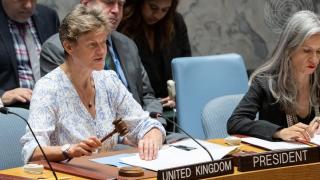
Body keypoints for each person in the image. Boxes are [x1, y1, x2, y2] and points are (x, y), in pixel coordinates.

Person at [20, 4, 165, 163]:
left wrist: (151, 138)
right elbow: (31, 150)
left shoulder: (108, 80)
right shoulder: (48, 88)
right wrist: (68, 151)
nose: (102, 51)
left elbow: (144, 124)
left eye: (103, 43)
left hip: (106, 172)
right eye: (92, 45)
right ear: (69, 47)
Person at [39, 0, 166, 127]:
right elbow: (70, 110)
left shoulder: (127, 44)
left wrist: (156, 124)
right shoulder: (56, 48)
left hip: (142, 128)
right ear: (86, 2)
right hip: (101, 137)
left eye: (121, 4)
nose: (116, 10)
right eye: (109, 2)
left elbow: (147, 95)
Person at [227, 10, 320, 142]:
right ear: (289, 49)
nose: (314, 59)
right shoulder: (266, 82)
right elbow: (235, 122)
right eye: (307, 51)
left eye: (319, 51)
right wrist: (279, 132)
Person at [118, 0, 191, 108]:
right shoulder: (122, 25)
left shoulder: (176, 23)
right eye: (153, 8)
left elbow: (186, 68)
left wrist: (179, 96)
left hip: (174, 106)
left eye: (164, 10)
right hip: (140, 107)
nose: (157, 15)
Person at [0, 0, 59, 108]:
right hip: (13, 110)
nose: (28, 5)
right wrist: (2, 95)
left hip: (53, 105)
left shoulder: (49, 16)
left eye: (33, 0)